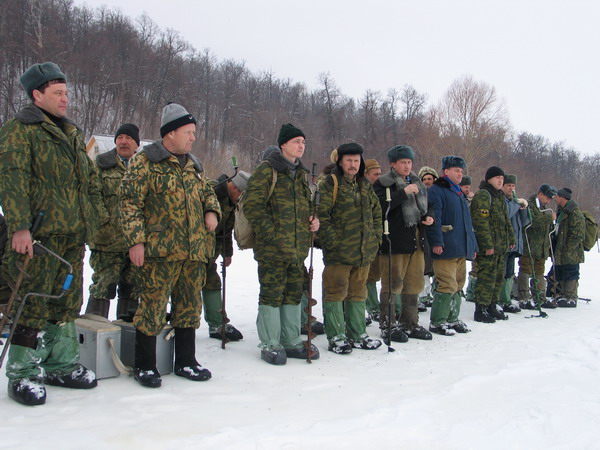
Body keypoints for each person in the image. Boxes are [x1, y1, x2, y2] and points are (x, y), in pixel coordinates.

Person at [0, 62, 108, 405]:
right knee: (29, 303)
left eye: (66, 93)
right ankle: (22, 372)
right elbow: (12, 179)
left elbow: (89, 182)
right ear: (37, 95)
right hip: (37, 237)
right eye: (57, 93)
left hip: (71, 236)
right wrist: (19, 226)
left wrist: (95, 220)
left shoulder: (72, 133)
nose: (65, 99)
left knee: (65, 302)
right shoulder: (21, 130)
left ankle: (60, 363)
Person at [120, 103, 221, 387]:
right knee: (151, 307)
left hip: (193, 251)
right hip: (158, 251)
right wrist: (136, 241)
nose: (193, 138)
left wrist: (211, 212)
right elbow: (130, 204)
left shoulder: (194, 165)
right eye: (188, 132)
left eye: (194, 133)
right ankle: (146, 365)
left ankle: (186, 362)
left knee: (189, 306)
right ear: (170, 133)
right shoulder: (145, 162)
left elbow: (208, 195)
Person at [244, 123, 319, 365]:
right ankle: (270, 343)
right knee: (271, 295)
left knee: (293, 295)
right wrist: (272, 236)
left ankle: (290, 340)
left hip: (297, 251)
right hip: (273, 251)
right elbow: (252, 207)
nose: (301, 146)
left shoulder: (300, 175)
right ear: (283, 144)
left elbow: (305, 207)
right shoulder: (267, 171)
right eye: (296, 141)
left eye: (303, 142)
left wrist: (312, 220)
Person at [317, 143, 382, 354]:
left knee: (358, 293)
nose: (353, 165)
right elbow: (321, 215)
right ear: (340, 162)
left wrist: (376, 239)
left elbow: (376, 213)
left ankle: (357, 333)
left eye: (356, 161)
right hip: (339, 253)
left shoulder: (364, 184)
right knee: (335, 293)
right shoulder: (330, 183)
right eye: (349, 161)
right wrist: (332, 242)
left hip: (364, 252)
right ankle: (336, 336)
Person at [373, 145, 434, 342]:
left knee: (413, 283)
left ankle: (410, 322)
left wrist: (429, 217)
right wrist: (403, 193)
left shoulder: (417, 182)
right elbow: (380, 208)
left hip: (415, 239)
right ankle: (387, 323)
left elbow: (427, 206)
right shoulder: (383, 184)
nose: (407, 166)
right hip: (394, 240)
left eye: (409, 162)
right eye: (403, 162)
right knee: (392, 283)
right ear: (392, 164)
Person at [86, 123, 141, 319]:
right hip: (107, 242)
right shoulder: (101, 164)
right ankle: (95, 335)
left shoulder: (143, 168)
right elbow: (92, 195)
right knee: (103, 287)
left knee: (132, 289)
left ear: (137, 144)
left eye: (128, 138)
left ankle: (125, 338)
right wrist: (104, 222)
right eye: (120, 137)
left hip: (135, 243)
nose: (123, 141)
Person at [426, 156, 477, 335]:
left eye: (461, 171)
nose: (459, 174)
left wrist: (472, 246)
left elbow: (467, 223)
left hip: (460, 247)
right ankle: (438, 321)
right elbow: (435, 217)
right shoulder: (437, 190)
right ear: (446, 171)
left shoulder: (458, 193)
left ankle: (452, 318)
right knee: (446, 284)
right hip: (446, 247)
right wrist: (437, 242)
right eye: (456, 170)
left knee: (458, 284)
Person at [202, 170, 250, 341]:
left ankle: (217, 324)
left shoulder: (230, 201)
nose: (240, 200)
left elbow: (226, 230)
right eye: (241, 196)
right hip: (196, 250)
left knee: (212, 281)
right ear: (235, 188)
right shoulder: (212, 193)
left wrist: (227, 253)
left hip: (210, 251)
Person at [470, 166, 516, 323]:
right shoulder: (484, 195)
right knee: (486, 278)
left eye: (502, 178)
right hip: (489, 248)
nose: (500, 180)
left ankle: (492, 305)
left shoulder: (499, 197)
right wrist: (487, 245)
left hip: (500, 247)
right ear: (489, 179)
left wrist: (511, 239)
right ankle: (481, 309)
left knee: (497, 277)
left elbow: (505, 220)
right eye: (497, 178)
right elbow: (480, 223)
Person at [518, 184, 557, 309]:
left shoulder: (543, 208)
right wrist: (548, 218)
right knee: (525, 270)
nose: (549, 200)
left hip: (541, 247)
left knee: (539, 272)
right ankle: (524, 298)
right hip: (529, 245)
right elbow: (532, 221)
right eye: (547, 197)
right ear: (540, 194)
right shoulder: (529, 205)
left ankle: (540, 297)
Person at [498, 174, 530, 313]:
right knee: (502, 271)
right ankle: (500, 299)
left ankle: (506, 299)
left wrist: (524, 209)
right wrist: (516, 205)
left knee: (510, 273)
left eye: (513, 186)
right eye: (508, 185)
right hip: (503, 243)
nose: (511, 188)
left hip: (515, 244)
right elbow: (507, 214)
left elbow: (526, 222)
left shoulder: (515, 202)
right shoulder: (502, 201)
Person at [552, 188, 585, 307]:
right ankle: (563, 295)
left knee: (571, 272)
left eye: (557, 196)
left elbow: (578, 234)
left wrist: (568, 249)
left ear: (562, 197)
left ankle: (570, 297)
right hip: (561, 250)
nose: (555, 198)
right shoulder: (561, 211)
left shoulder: (574, 213)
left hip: (572, 252)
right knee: (561, 271)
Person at [364, 158, 382, 322]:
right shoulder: (363, 189)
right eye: (375, 174)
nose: (378, 177)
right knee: (367, 276)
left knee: (374, 275)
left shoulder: (379, 189)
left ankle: (373, 305)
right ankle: (371, 306)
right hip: (361, 242)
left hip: (375, 239)